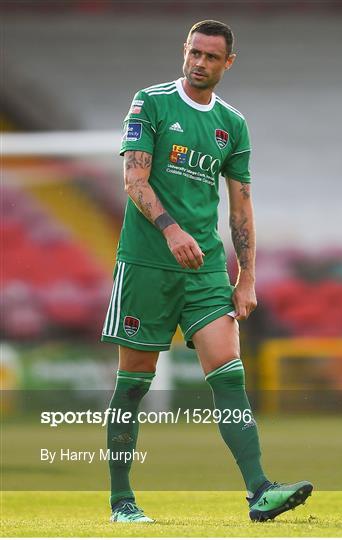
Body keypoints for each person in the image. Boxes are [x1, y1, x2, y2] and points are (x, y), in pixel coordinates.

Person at [101, 19, 313, 523]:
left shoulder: (232, 125)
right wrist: (172, 232)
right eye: (194, 52)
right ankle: (121, 500)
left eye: (211, 57)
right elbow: (134, 178)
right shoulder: (150, 102)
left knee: (230, 373)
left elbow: (241, 209)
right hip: (148, 263)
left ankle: (260, 490)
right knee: (134, 382)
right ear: (185, 52)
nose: (199, 63)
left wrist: (247, 278)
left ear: (227, 64)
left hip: (205, 271)